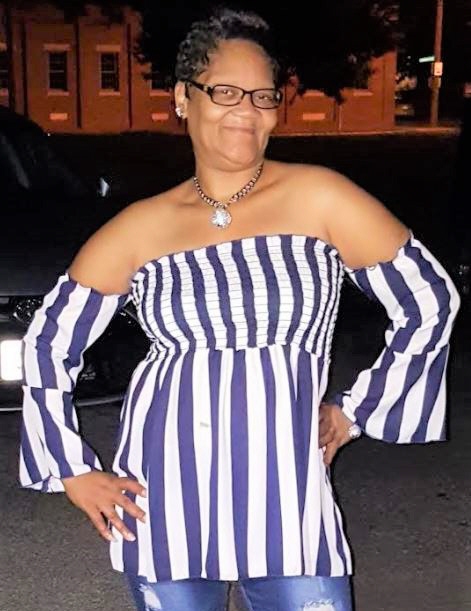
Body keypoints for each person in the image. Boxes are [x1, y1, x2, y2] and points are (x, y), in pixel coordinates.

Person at [19, 6, 460, 611]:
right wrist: (69, 468)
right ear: (183, 98)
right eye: (224, 91)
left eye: (262, 95)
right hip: (164, 495)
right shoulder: (142, 225)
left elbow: (429, 300)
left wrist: (356, 411)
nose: (246, 110)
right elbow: (49, 341)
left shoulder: (321, 198)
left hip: (288, 501)